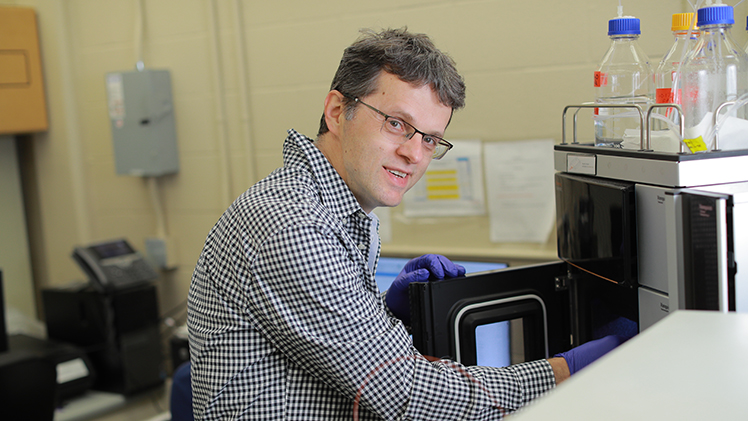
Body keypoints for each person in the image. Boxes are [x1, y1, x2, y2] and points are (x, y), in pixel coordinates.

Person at [187, 27, 623, 420]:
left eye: (430, 139)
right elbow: (404, 390)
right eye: (397, 124)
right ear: (338, 111)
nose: (414, 154)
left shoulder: (340, 212)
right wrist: (565, 370)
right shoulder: (291, 222)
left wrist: (382, 310)